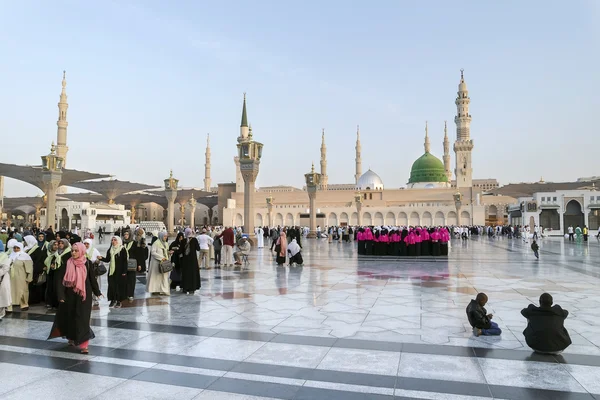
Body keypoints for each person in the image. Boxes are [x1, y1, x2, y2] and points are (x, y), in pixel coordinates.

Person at [47, 242, 102, 354]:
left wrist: (97, 292)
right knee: (71, 317)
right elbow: (60, 280)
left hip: (84, 295)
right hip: (70, 295)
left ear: (81, 251)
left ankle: (84, 344)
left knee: (83, 319)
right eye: (72, 250)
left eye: (76, 250)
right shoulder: (67, 263)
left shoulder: (87, 264)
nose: (73, 252)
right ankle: (71, 337)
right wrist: (61, 295)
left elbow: (92, 279)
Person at [99, 236, 127, 308]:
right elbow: (108, 259)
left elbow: (125, 261)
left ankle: (118, 301)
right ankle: (112, 299)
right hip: (112, 271)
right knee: (112, 285)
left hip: (120, 271)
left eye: (115, 240)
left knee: (119, 286)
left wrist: (124, 271)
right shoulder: (110, 249)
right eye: (112, 240)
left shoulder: (122, 249)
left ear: (118, 241)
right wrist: (101, 258)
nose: (113, 241)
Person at [9, 242, 33, 311]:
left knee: (22, 291)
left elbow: (29, 268)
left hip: (22, 277)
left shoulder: (25, 256)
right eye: (14, 248)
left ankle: (24, 304)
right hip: (11, 277)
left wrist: (29, 278)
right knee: (11, 290)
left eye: (18, 248)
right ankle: (11, 304)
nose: (16, 249)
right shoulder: (11, 255)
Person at [122, 230, 144, 301]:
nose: (125, 236)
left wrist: (139, 264)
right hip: (124, 263)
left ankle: (130, 294)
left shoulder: (134, 243)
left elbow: (138, 254)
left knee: (131, 279)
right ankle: (124, 293)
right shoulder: (122, 243)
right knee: (124, 278)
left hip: (132, 263)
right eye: (125, 234)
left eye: (127, 234)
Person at [180, 230, 200, 295]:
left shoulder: (183, 241)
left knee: (186, 273)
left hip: (185, 260)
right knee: (192, 273)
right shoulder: (194, 240)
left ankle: (185, 288)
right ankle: (192, 287)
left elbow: (181, 251)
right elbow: (198, 248)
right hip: (193, 260)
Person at [83, 239, 103, 306]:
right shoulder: (82, 251)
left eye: (87, 244)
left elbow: (99, 260)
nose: (86, 245)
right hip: (85, 271)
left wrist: (96, 261)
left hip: (94, 270)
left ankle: (95, 298)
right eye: (85, 243)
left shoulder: (94, 251)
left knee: (95, 283)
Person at [0, 250, 12, 320]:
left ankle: (1, 314)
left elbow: (5, 268)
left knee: (2, 297)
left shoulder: (4, 256)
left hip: (3, 279)